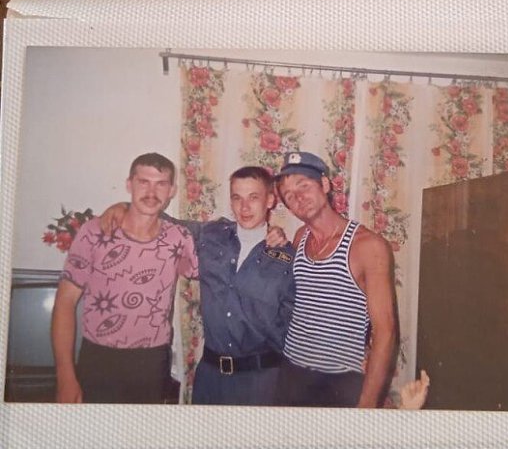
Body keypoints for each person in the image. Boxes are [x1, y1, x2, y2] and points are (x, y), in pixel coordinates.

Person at [100, 166, 295, 406]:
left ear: (270, 200)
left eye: (253, 197)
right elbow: (165, 221)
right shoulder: (210, 235)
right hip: (210, 378)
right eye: (237, 198)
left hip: (261, 381)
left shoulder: (289, 258)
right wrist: (123, 206)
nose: (244, 207)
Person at [274, 151, 429, 409]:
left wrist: (367, 405)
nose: (298, 197)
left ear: (325, 185)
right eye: (289, 195)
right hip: (291, 374)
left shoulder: (367, 246)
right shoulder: (300, 237)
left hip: (339, 381)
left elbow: (386, 331)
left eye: (304, 186)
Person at [51, 153, 198, 404]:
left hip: (152, 362)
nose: (151, 192)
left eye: (161, 184)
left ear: (172, 191)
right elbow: (65, 303)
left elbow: (209, 263)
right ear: (129, 184)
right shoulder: (95, 232)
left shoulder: (180, 238)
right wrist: (65, 375)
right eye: (143, 182)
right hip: (99, 358)